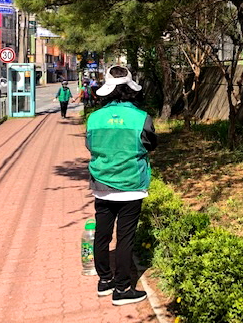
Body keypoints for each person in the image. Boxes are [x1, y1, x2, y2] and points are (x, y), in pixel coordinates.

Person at [86, 65, 157, 306]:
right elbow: (150, 143)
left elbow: (90, 145)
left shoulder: (94, 118)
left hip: (102, 185)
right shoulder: (142, 118)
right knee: (125, 238)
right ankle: (123, 288)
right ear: (130, 88)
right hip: (131, 184)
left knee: (102, 234)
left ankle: (104, 281)